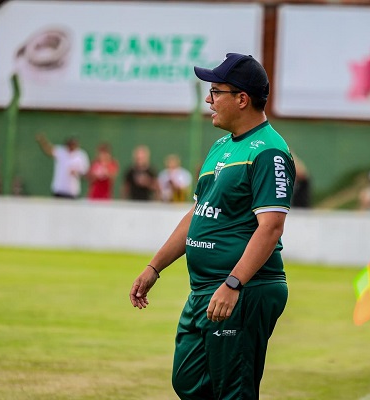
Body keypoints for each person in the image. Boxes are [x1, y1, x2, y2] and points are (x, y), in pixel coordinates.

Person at [129, 53, 296, 399]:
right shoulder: (221, 146)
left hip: (243, 289)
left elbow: (270, 228)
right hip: (204, 289)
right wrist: (154, 267)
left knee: (233, 392)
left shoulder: (269, 151)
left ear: (242, 99)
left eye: (216, 92)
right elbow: (198, 212)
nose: (209, 100)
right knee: (188, 381)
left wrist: (234, 283)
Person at [35, 134, 89, 199]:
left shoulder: (81, 155)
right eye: (70, 144)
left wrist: (77, 173)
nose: (71, 147)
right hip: (59, 189)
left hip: (72, 191)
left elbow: (85, 174)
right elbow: (49, 150)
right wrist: (42, 141)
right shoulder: (61, 151)